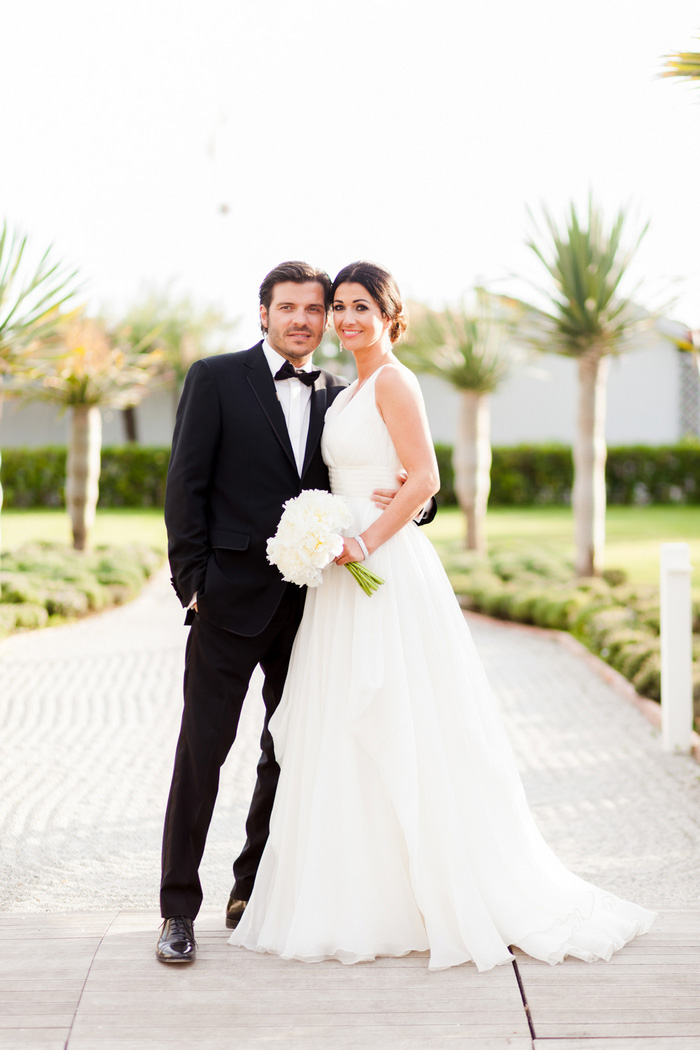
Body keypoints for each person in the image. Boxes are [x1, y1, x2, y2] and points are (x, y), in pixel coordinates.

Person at [229, 261, 655, 971]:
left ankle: (436, 891)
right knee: (341, 729)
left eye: (361, 306)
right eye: (340, 307)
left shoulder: (394, 380)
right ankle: (355, 892)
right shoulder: (346, 391)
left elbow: (424, 477)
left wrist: (362, 537)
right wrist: (322, 529)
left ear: (392, 316)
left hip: (383, 569)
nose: (346, 319)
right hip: (340, 574)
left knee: (401, 717)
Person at [157, 261, 435, 964]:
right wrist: (192, 581)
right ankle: (177, 911)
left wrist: (414, 502)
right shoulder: (215, 378)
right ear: (263, 313)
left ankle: (251, 888)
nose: (308, 320)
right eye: (292, 308)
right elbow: (184, 485)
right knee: (202, 753)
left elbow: (383, 478)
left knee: (289, 749)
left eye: (319, 308)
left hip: (314, 604)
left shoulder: (344, 395)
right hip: (226, 601)